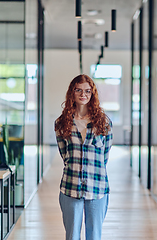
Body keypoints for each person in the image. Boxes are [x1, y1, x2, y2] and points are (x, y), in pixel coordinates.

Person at [55, 74, 113, 240]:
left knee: (94, 235)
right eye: (78, 90)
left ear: (92, 94)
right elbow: (65, 155)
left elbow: (105, 156)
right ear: (72, 93)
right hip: (70, 186)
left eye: (87, 91)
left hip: (98, 187)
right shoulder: (62, 123)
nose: (83, 94)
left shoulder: (103, 122)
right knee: (72, 236)